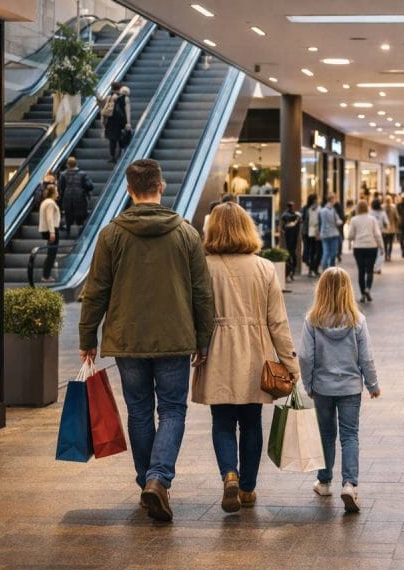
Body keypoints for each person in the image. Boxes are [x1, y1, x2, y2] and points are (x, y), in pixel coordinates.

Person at [78, 159, 215, 523]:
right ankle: (158, 478)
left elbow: (96, 291)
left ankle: (147, 482)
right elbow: (203, 292)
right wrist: (204, 340)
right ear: (161, 186)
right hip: (175, 338)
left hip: (127, 338)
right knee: (172, 410)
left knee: (139, 410)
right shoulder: (186, 233)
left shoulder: (111, 235)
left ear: (129, 189)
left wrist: (87, 335)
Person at [192, 202, 299, 513]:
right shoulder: (264, 267)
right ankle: (249, 488)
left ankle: (229, 474)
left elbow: (195, 314)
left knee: (222, 420)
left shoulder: (203, 266)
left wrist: (195, 349)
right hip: (256, 353)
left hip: (216, 351)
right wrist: (291, 365)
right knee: (251, 422)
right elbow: (278, 322)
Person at [299, 268, 380, 513]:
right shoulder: (357, 320)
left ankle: (324, 481)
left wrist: (309, 383)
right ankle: (349, 485)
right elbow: (366, 357)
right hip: (350, 388)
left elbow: (304, 356)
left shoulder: (312, 320)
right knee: (349, 435)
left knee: (325, 434)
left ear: (321, 290)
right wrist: (373, 385)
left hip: (323, 387)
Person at [346, 200, 383, 302]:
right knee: (370, 270)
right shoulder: (372, 219)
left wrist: (353, 240)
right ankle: (368, 288)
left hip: (359, 247)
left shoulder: (354, 220)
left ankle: (362, 294)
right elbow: (377, 234)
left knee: (361, 271)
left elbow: (350, 235)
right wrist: (381, 247)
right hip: (371, 247)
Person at [57, 157, 94, 237]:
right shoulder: (83, 174)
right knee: (80, 218)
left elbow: (61, 188)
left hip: (67, 199)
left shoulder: (63, 175)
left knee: (68, 216)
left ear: (67, 165)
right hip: (80, 199)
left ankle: (68, 232)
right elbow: (90, 186)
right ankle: (80, 235)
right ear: (76, 164)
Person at [103, 82, 131, 164]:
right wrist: (128, 122)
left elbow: (105, 109)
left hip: (111, 121)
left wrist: (104, 121)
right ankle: (121, 155)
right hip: (121, 121)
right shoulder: (125, 98)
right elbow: (127, 111)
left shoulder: (109, 97)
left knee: (112, 140)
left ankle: (112, 157)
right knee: (121, 138)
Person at [38, 185, 60, 283]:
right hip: (51, 230)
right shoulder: (50, 203)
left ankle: (46, 275)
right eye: (56, 191)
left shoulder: (45, 202)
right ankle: (46, 276)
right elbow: (49, 218)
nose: (58, 193)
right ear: (53, 193)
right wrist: (52, 232)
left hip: (47, 229)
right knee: (52, 254)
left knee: (51, 253)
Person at [319, 194, 342, 270]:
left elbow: (322, 223)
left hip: (324, 234)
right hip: (333, 233)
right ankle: (331, 270)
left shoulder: (322, 210)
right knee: (333, 253)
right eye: (335, 199)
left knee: (326, 253)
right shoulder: (331, 210)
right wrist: (339, 222)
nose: (336, 200)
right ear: (332, 199)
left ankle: (325, 270)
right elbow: (337, 221)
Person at [301, 194, 322, 276]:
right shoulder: (307, 209)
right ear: (314, 200)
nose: (317, 200)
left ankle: (313, 268)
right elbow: (304, 220)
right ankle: (312, 269)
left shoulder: (319, 208)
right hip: (309, 233)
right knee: (312, 251)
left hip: (315, 232)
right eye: (316, 199)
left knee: (316, 252)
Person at [280, 201, 301, 282]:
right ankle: (289, 273)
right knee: (290, 256)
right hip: (289, 239)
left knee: (293, 256)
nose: (292, 207)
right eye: (291, 206)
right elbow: (283, 226)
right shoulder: (287, 215)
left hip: (293, 238)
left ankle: (292, 273)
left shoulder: (295, 215)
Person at [369, 198, 390, 274]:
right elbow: (387, 223)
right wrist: (386, 227)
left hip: (371, 234)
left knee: (372, 251)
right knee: (381, 251)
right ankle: (377, 268)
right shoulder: (382, 213)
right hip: (381, 233)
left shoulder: (370, 213)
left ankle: (372, 266)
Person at [381, 195, 398, 262]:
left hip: (384, 229)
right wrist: (396, 225)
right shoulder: (394, 207)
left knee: (385, 243)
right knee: (390, 243)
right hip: (392, 228)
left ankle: (385, 254)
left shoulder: (382, 207)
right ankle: (389, 255)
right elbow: (397, 217)